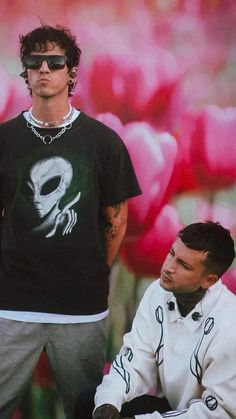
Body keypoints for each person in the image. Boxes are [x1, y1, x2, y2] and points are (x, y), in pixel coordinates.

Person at [0, 24, 141, 419]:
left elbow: (117, 221)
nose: (44, 68)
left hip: (81, 310)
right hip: (12, 307)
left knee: (85, 409)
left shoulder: (102, 142)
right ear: (25, 72)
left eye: (55, 62)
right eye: (34, 61)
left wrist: (94, 273)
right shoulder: (4, 141)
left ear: (72, 72)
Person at [93, 221, 236, 419]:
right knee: (90, 402)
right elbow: (136, 358)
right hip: (171, 406)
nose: (169, 267)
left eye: (183, 265)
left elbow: (219, 412)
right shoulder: (157, 293)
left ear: (209, 280)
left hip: (205, 415)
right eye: (171, 254)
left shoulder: (229, 325)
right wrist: (108, 402)